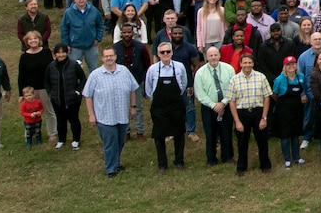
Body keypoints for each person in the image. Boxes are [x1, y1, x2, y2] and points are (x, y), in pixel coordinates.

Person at [81, 48, 140, 176]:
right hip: (105, 117)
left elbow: (132, 89)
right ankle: (111, 169)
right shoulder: (95, 75)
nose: (109, 58)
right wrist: (91, 114)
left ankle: (116, 162)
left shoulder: (124, 71)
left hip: (121, 116)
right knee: (110, 143)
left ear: (115, 57)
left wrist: (133, 106)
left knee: (120, 141)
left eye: (111, 55)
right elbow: (88, 96)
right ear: (102, 58)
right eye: (106, 56)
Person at [144, 41, 190, 171]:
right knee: (159, 136)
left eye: (168, 51)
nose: (165, 54)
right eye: (162, 52)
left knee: (179, 134)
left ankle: (179, 161)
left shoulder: (180, 67)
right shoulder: (152, 69)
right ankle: (162, 164)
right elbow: (148, 90)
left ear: (172, 52)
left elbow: (183, 84)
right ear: (158, 54)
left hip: (176, 106)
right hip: (159, 108)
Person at [227, 53, 273, 176]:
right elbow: (231, 101)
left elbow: (267, 98)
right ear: (241, 64)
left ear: (253, 63)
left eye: (249, 62)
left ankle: (265, 165)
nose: (247, 65)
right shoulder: (234, 80)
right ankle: (241, 167)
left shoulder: (261, 77)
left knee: (262, 141)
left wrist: (264, 117)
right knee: (242, 142)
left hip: (258, 111)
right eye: (245, 63)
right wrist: (237, 121)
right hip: (242, 113)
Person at [194, 48, 234, 167]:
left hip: (226, 105)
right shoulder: (200, 73)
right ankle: (211, 159)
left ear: (219, 55)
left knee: (226, 132)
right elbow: (199, 93)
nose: (213, 58)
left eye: (215, 55)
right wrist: (214, 105)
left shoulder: (229, 69)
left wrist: (223, 103)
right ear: (206, 57)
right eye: (210, 55)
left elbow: (233, 88)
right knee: (210, 133)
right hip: (208, 107)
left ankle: (227, 156)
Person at [45, 43, 85, 150]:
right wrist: (50, 93)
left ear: (67, 53)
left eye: (63, 52)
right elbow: (46, 82)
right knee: (60, 120)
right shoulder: (51, 66)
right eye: (58, 53)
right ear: (55, 54)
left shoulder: (74, 64)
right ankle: (61, 140)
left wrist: (77, 91)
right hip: (57, 99)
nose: (61, 55)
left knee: (73, 119)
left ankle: (76, 140)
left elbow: (83, 79)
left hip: (73, 98)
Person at [271, 57, 307, 168]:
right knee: (285, 136)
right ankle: (287, 159)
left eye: (293, 64)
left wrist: (303, 95)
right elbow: (274, 94)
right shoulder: (280, 79)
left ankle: (297, 157)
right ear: (284, 67)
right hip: (283, 113)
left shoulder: (300, 77)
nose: (291, 67)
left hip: (296, 111)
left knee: (295, 135)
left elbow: (303, 89)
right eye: (288, 65)